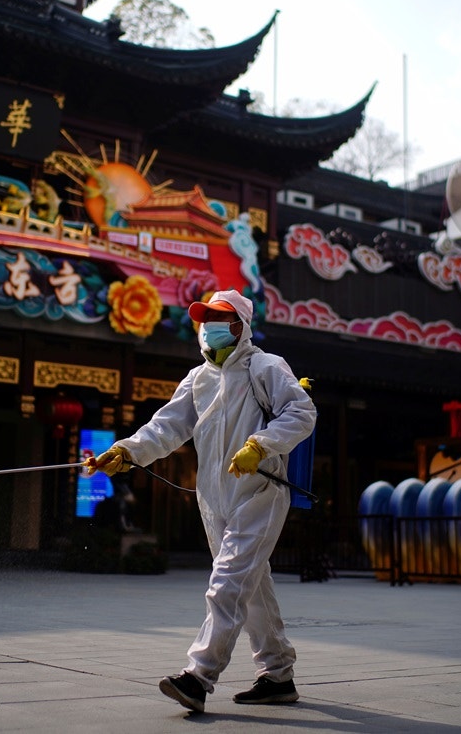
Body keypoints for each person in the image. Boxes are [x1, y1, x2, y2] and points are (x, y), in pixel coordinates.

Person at [83, 288, 316, 714]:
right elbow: (166, 427)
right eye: (204, 317)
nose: (208, 326)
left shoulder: (265, 367)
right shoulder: (198, 378)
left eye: (219, 318)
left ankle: (198, 676)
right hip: (214, 499)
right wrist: (127, 451)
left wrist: (261, 444)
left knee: (227, 582)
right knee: (251, 587)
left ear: (240, 326)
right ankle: (278, 675)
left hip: (261, 492)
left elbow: (301, 413)